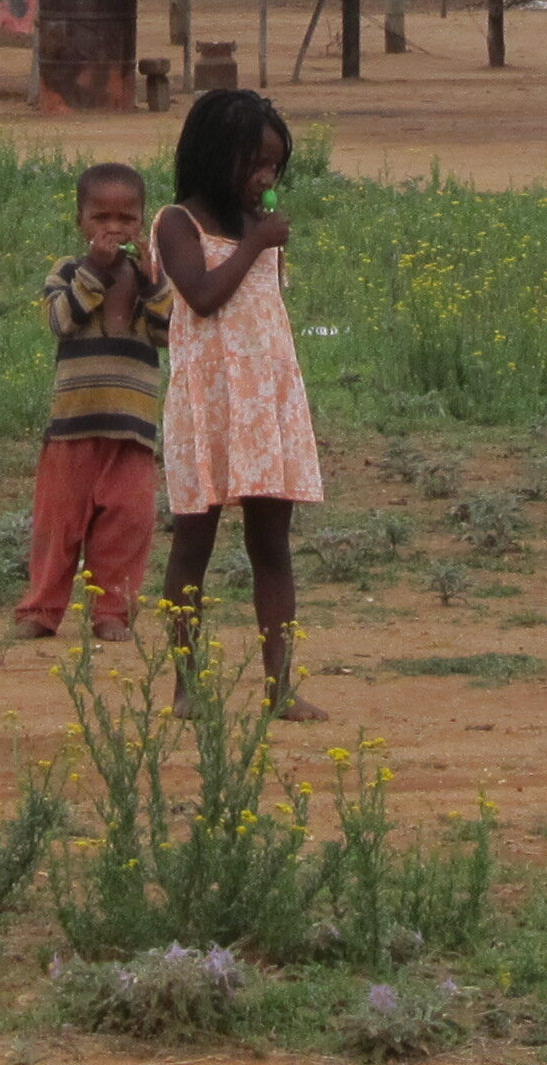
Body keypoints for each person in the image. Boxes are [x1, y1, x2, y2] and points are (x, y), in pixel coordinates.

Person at [154, 87, 326, 717]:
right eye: (253, 164)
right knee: (193, 543)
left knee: (271, 545)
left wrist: (263, 239)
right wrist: (255, 244)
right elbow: (201, 294)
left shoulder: (261, 227)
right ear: (211, 157)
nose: (264, 179)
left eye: (274, 168)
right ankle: (186, 683)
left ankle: (281, 686)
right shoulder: (179, 222)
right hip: (210, 408)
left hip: (266, 403)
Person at [17, 160, 173, 644]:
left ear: (142, 222)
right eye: (101, 218)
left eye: (125, 219)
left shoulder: (151, 277)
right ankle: (41, 609)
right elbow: (61, 322)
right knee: (57, 525)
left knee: (128, 524)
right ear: (80, 221)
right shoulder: (66, 272)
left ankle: (112, 612)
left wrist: (153, 283)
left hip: (132, 431)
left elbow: (168, 333)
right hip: (73, 429)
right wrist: (95, 273)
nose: (113, 229)